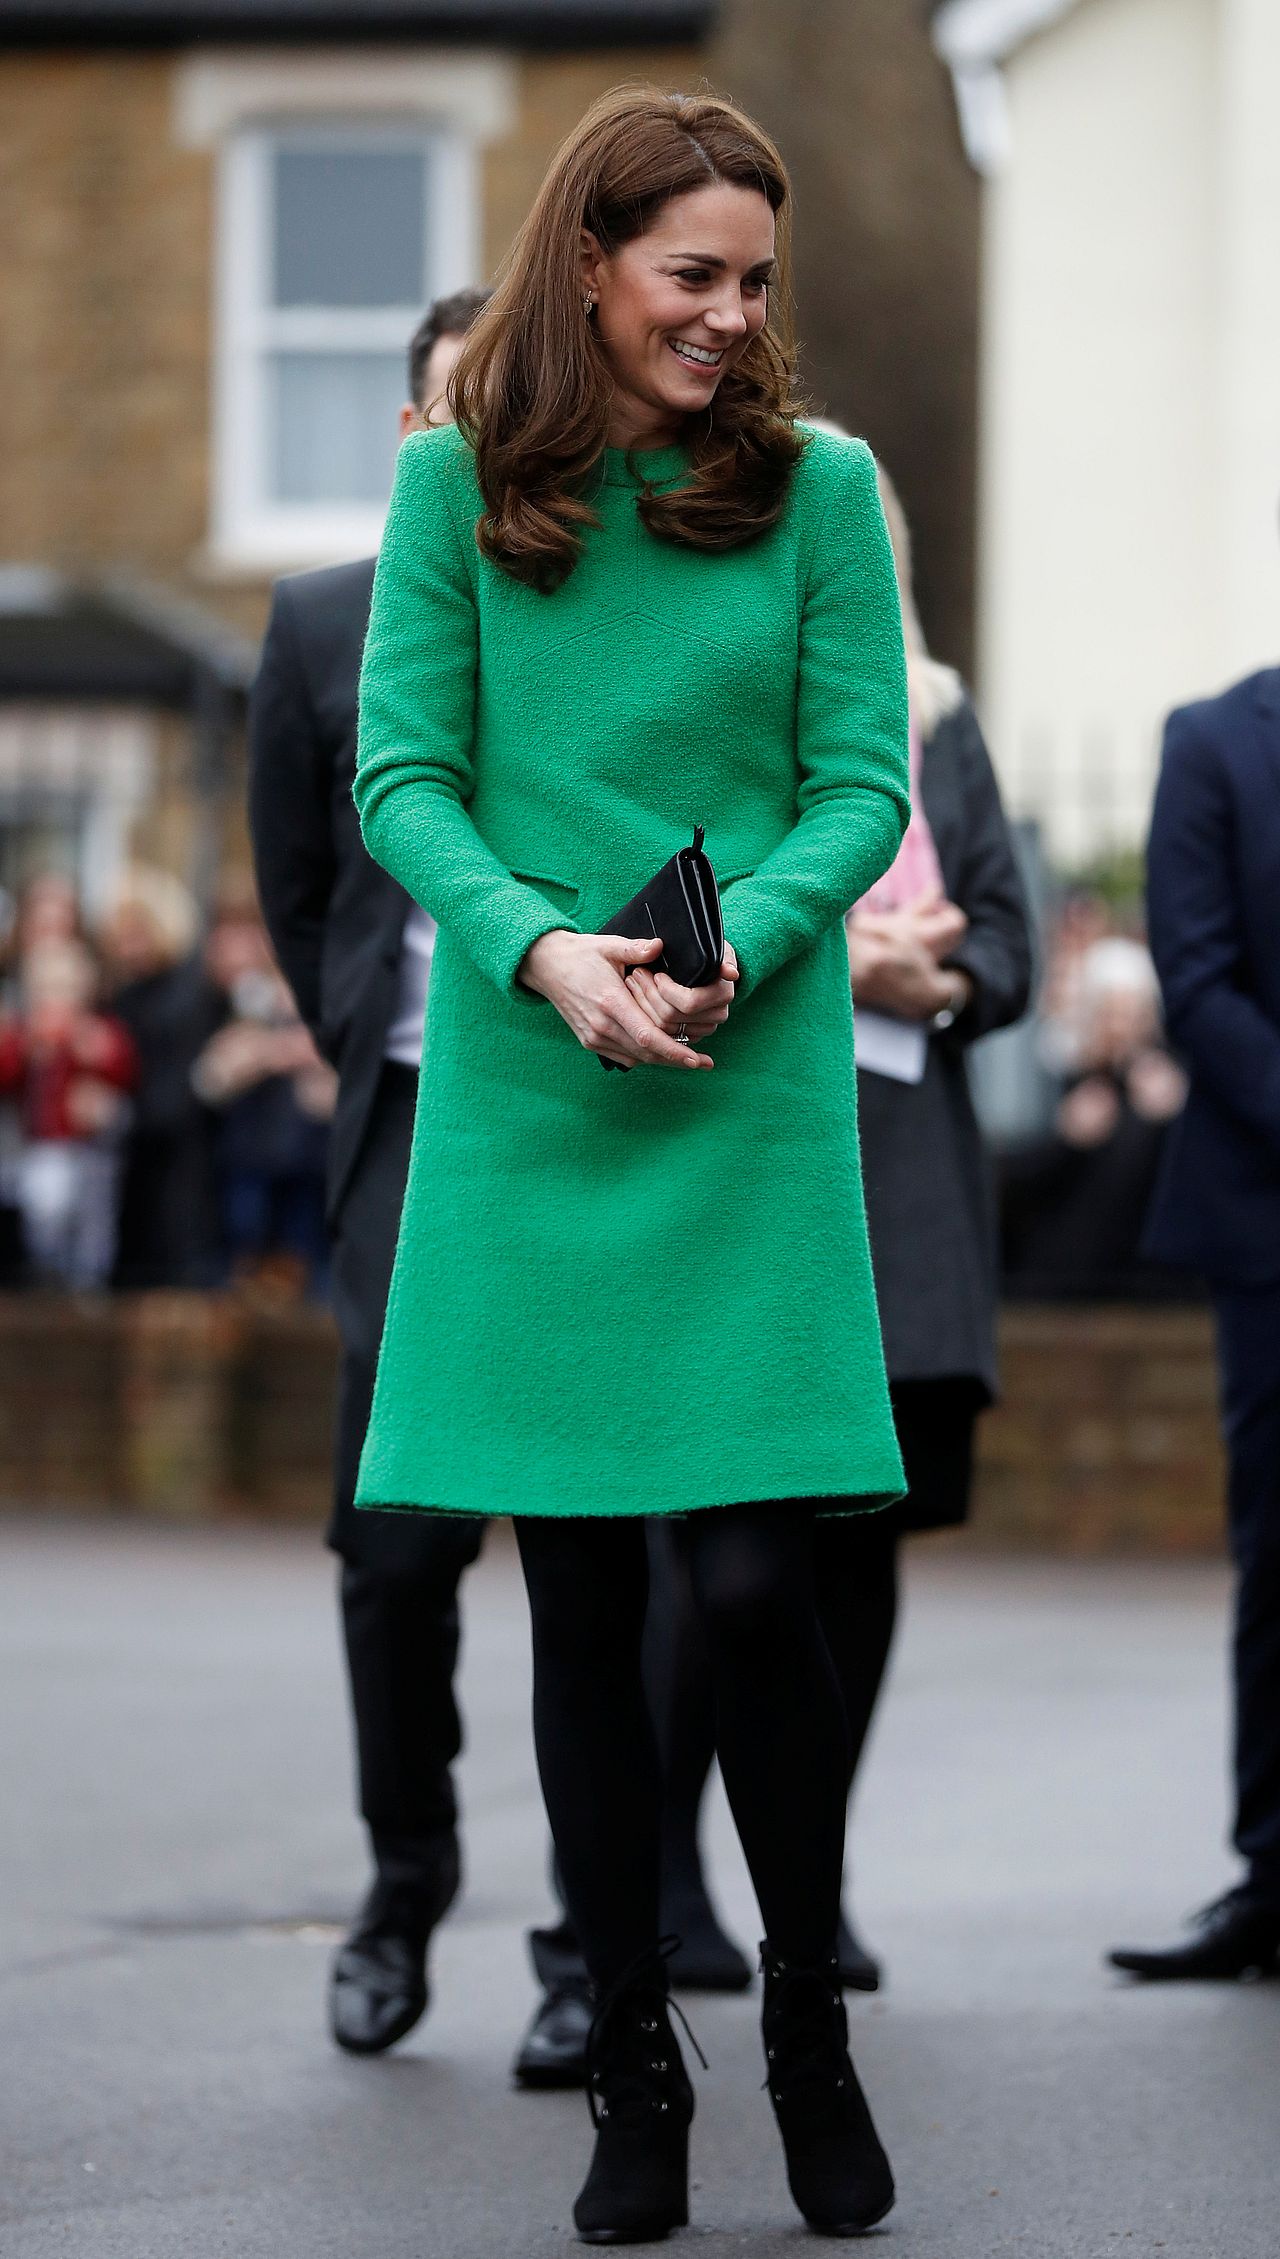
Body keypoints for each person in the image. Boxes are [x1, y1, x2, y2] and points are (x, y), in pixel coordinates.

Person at [353, 86, 911, 2246]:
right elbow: (405, 776)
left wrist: (736, 943)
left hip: (741, 1085)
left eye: (754, 281)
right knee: (577, 1600)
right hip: (535, 1082)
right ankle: (632, 2065)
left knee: (757, 1576)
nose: (729, 315)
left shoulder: (825, 491)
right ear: (585, 262)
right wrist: (543, 955)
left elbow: (855, 784)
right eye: (693, 275)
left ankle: (800, 2019)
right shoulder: (452, 487)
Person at [250, 287, 602, 2067]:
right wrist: (355, 1048)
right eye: (473, 409)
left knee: (599, 1550)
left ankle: (583, 1939)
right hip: (408, 1128)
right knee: (394, 1552)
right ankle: (406, 1883)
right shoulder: (319, 623)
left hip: (588, 1121)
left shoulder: (598, 599)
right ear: (411, 437)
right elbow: (302, 877)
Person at [1105, 662, 1280, 1982]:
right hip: (1267, 1214)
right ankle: (1276, 1873)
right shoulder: (1216, 739)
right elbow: (1199, 976)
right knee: (1278, 1546)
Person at [100, 865, 224, 1289]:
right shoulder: (126, 995)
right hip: (140, 1157)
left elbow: (179, 1092)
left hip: (182, 1162)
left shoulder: (187, 994)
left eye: (137, 932)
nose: (127, 945)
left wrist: (121, 1114)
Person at [0, 934, 138, 1290]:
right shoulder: (23, 1034)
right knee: (45, 1207)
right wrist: (26, 1049)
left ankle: (89, 1280)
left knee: (94, 1217)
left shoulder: (99, 1032)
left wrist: (98, 1055)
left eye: (65, 989)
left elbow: (125, 1072)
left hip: (90, 1148)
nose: (56, 1000)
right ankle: (47, 1274)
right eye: (46, 989)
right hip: (40, 1146)